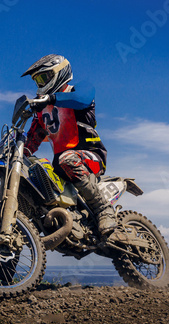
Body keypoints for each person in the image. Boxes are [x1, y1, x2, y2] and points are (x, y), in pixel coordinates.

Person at [22, 54, 117, 238]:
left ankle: (103, 209)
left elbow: (82, 99)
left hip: (91, 157)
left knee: (66, 158)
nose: (40, 84)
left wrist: (50, 99)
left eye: (43, 77)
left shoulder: (79, 90)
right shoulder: (42, 111)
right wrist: (16, 150)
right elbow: (32, 140)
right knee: (34, 171)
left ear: (59, 72)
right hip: (62, 165)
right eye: (37, 81)